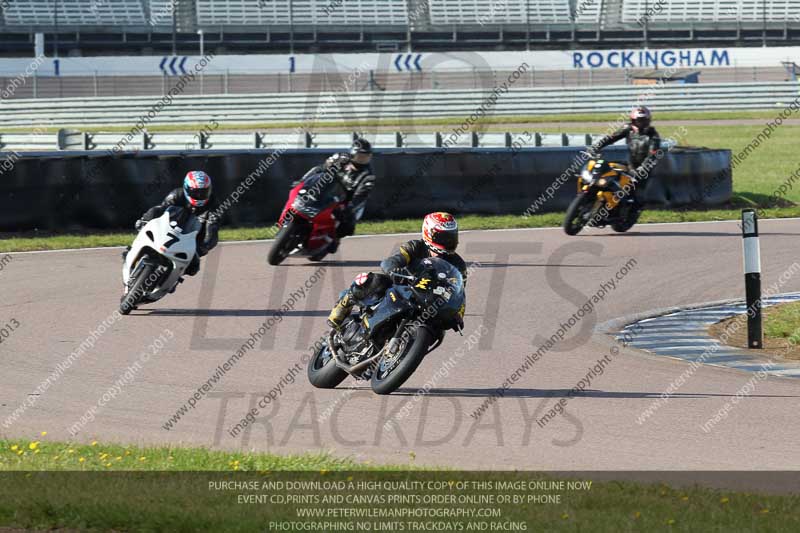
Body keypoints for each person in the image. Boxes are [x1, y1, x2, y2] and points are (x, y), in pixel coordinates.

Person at [327, 212, 467, 329]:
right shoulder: (415, 247)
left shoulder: (458, 264)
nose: (449, 242)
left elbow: (460, 293)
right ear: (429, 234)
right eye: (444, 237)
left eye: (451, 237)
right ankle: (345, 303)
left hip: (428, 300)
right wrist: (394, 271)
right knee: (373, 280)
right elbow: (391, 261)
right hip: (401, 287)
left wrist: (458, 314)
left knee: (439, 326)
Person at [131, 170, 220, 276]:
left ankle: (175, 276)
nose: (200, 196)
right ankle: (133, 250)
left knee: (193, 269)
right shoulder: (176, 195)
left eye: (204, 192)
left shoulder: (214, 204)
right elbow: (160, 211)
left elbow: (212, 228)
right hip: (171, 227)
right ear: (186, 188)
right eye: (195, 192)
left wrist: (204, 247)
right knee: (153, 214)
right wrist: (145, 221)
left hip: (193, 236)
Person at [299, 138, 376, 254]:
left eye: (365, 157)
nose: (362, 161)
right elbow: (320, 169)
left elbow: (360, 196)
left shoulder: (368, 176)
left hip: (351, 201)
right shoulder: (340, 158)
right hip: (331, 191)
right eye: (360, 157)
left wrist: (349, 207)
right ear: (352, 154)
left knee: (345, 225)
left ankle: (333, 239)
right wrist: (303, 180)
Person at [590, 105, 661, 207]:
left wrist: (643, 168)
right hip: (629, 164)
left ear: (648, 121)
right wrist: (597, 146)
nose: (641, 123)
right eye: (638, 120)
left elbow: (652, 154)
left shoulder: (653, 136)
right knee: (609, 172)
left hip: (644, 169)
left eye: (643, 121)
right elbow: (611, 138)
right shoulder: (628, 129)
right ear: (633, 121)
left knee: (637, 196)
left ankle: (629, 213)